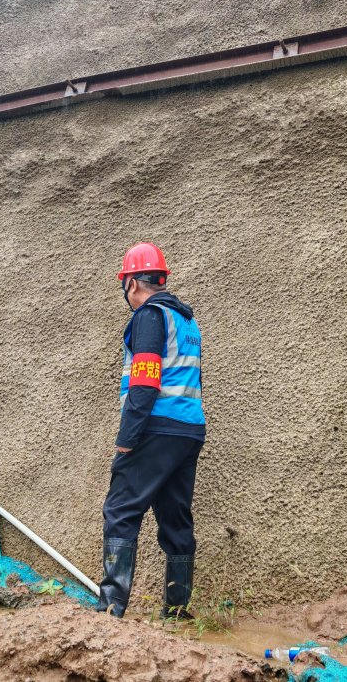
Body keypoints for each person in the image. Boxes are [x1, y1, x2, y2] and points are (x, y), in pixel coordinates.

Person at [96, 243, 206, 619]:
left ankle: (110, 609)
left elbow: (145, 383)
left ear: (131, 284)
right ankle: (177, 613)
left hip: (155, 426)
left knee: (121, 509)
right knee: (175, 517)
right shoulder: (186, 321)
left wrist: (127, 440)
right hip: (188, 429)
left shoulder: (150, 316)